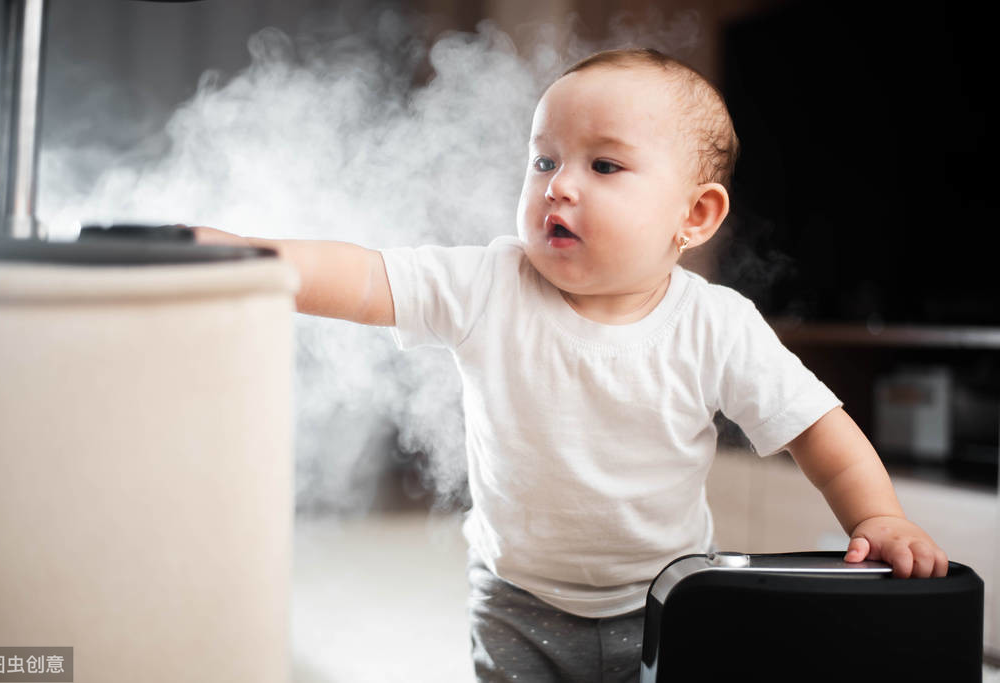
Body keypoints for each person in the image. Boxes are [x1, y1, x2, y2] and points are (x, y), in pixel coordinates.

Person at [195, 48, 948, 682]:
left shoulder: (714, 323)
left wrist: (875, 516)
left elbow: (817, 429)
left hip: (667, 597)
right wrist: (249, 258)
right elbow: (362, 278)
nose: (558, 183)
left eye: (605, 164)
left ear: (694, 215)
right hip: (516, 599)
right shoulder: (487, 282)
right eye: (543, 159)